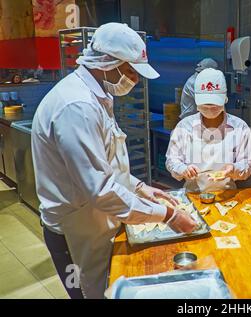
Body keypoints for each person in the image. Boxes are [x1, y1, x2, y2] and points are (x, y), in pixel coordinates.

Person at [31, 23, 197, 299]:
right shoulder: (77, 107)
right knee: (88, 294)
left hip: (94, 224)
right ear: (109, 63)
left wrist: (141, 187)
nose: (134, 80)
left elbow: (104, 164)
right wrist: (169, 216)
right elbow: (101, 190)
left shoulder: (98, 97)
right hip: (74, 234)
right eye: (131, 71)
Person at [166, 68, 251, 193]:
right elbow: (172, 160)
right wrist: (183, 169)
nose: (209, 108)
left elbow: (247, 164)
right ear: (196, 101)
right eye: (205, 105)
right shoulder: (184, 127)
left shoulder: (239, 127)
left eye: (214, 105)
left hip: (227, 194)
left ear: (224, 99)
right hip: (193, 194)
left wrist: (234, 169)